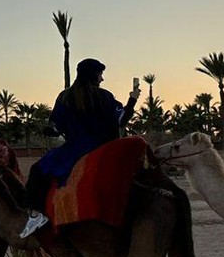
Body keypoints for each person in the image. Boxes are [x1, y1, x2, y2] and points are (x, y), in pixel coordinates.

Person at [19, 58, 140, 238]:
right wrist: (132, 100)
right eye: (100, 74)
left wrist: (50, 130)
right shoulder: (105, 96)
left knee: (38, 171)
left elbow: (56, 127)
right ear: (93, 75)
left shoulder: (65, 97)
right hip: (104, 150)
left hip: (74, 149)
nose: (102, 79)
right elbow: (121, 120)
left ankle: (36, 215)